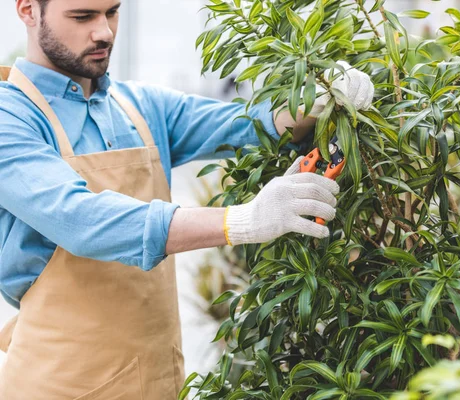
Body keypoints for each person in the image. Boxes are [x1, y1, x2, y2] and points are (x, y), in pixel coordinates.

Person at [0, 0, 375, 399]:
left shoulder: (139, 108)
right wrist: (242, 221)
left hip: (158, 380)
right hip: (57, 384)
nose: (105, 32)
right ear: (27, 10)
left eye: (111, 12)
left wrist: (319, 100)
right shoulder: (12, 117)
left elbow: (248, 123)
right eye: (82, 16)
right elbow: (81, 219)